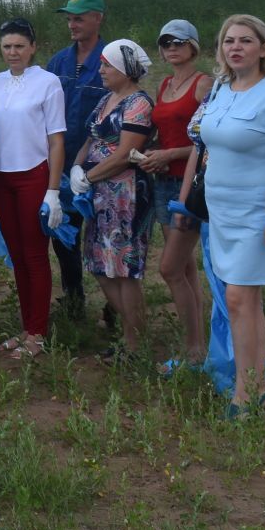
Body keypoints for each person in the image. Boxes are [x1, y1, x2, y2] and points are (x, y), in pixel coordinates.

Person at [188, 14, 265, 414]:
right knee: (246, 301)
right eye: (228, 41)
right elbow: (207, 145)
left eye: (245, 40)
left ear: (263, 48)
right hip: (222, 212)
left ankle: (245, 392)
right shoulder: (221, 88)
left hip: (258, 212)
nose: (235, 47)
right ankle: (257, 386)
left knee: (238, 296)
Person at [70, 39, 156, 360]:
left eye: (107, 65)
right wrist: (78, 167)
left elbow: (124, 155)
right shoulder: (107, 99)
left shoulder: (138, 104)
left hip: (126, 196)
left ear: (125, 70)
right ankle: (133, 331)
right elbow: (91, 138)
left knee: (124, 268)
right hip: (99, 196)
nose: (102, 70)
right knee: (98, 263)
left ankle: (135, 344)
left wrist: (88, 176)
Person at [0, 18, 66, 357]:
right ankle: (26, 326)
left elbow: (57, 140)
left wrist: (52, 191)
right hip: (0, 176)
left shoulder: (48, 82)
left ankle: (38, 333)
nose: (13, 52)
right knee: (17, 257)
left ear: (32, 47)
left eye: (19, 46)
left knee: (35, 256)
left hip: (33, 174)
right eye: (7, 47)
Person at [146, 19, 212, 371]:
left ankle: (194, 350)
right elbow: (168, 133)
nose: (171, 47)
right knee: (185, 267)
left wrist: (168, 156)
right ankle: (197, 343)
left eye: (178, 41)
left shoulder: (204, 85)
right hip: (163, 183)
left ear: (193, 46)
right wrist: (152, 154)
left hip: (190, 183)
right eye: (165, 42)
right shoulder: (165, 84)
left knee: (169, 268)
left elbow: (209, 141)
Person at [46, 0, 109, 314]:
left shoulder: (110, 59)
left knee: (105, 239)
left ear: (98, 18)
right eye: (69, 18)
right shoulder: (58, 61)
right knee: (63, 235)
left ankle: (116, 307)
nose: (72, 24)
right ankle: (74, 301)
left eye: (79, 18)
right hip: (60, 163)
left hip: (102, 167)